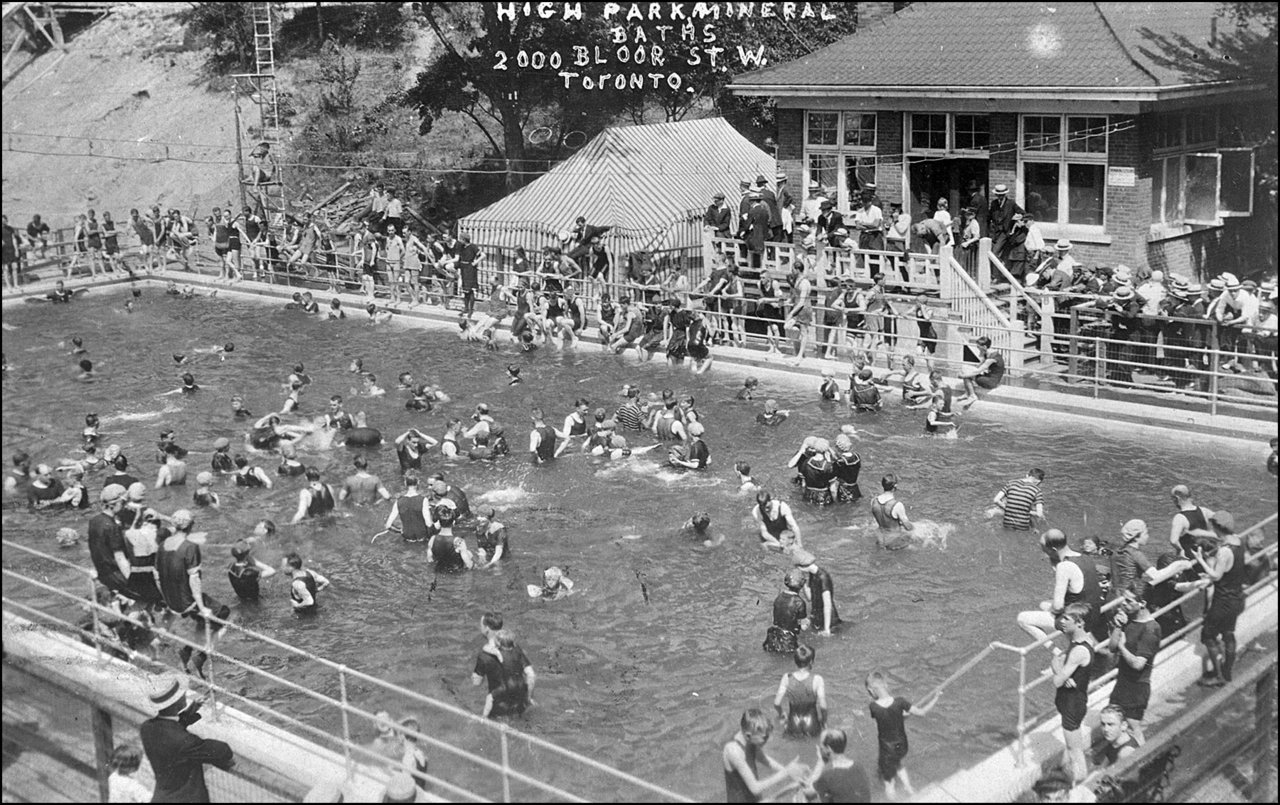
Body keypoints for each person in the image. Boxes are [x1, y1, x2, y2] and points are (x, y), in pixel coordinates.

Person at [155, 509, 229, 677]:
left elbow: (157, 575)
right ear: (190, 526)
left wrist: (166, 597)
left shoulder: (162, 546)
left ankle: (187, 650)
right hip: (187, 602)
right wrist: (202, 607)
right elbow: (194, 579)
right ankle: (199, 657)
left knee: (200, 621)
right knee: (222, 613)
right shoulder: (190, 547)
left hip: (171, 599)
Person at [139, 675, 235, 801]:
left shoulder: (146, 727)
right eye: (181, 694)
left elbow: (171, 728)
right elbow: (223, 750)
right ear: (175, 703)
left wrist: (192, 709)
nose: (184, 694)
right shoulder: (186, 742)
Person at [1183, 511, 1246, 686]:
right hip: (1236, 597)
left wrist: (1200, 560)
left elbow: (1217, 576)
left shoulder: (1224, 552)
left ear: (1218, 527)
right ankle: (1227, 669)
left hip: (1222, 600)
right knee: (1228, 632)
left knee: (1208, 636)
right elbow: (1228, 571)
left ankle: (1219, 676)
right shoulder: (1239, 542)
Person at [1016, 529, 1106, 650]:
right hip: (1094, 613)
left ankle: (1058, 654)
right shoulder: (1084, 557)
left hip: (1080, 621)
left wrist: (1054, 611)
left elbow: (1058, 607)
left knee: (1022, 619)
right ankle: (1076, 643)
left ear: (1053, 550)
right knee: (1043, 604)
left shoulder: (1064, 566)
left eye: (1045, 550)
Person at [1099, 589, 1161, 746]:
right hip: (1123, 683)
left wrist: (1122, 646)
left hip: (1137, 686)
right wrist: (1118, 626)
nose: (1123, 604)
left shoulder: (1151, 629)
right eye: (1123, 600)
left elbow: (1138, 664)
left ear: (1142, 604)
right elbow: (1112, 648)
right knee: (1120, 726)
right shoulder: (1128, 620)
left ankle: (1142, 759)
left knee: (1133, 728)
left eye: (1128, 601)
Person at [866, 670, 940, 799]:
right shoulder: (900, 702)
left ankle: (895, 799)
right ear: (886, 685)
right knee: (898, 763)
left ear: (872, 690)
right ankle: (909, 788)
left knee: (889, 782)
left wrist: (903, 714)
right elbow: (921, 713)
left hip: (887, 749)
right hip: (902, 746)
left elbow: (887, 716)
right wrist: (936, 697)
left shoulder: (873, 707)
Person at [722, 708, 807, 803]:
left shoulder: (749, 739)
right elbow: (755, 788)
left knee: (791, 790)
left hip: (754, 798)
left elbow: (765, 759)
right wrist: (786, 772)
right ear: (748, 736)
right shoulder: (733, 751)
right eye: (764, 738)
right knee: (777, 797)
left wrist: (790, 772)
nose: (767, 741)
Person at [1051, 603, 1095, 783]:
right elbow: (1063, 670)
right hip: (1075, 699)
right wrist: (1062, 671)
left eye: (1067, 619)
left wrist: (1057, 667)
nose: (1062, 622)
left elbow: (1057, 680)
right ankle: (1073, 777)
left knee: (1074, 749)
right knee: (1073, 747)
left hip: (1072, 703)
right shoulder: (1083, 640)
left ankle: (1078, 784)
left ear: (1080, 623)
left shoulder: (1078, 650)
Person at [472, 615, 536, 718]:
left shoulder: (484, 655)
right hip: (520, 705)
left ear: (487, 629)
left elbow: (476, 683)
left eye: (481, 626)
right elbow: (531, 675)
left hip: (498, 708)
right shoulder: (515, 647)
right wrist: (529, 698)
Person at [799, 728, 872, 804]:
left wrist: (821, 762)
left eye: (821, 746)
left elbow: (808, 794)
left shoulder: (829, 774)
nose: (820, 748)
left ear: (828, 749)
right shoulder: (859, 767)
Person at [89, 484, 134, 597]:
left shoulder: (94, 521)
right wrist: (133, 581)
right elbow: (120, 558)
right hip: (115, 575)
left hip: (102, 573)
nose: (125, 506)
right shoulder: (112, 527)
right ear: (114, 504)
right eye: (123, 503)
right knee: (150, 597)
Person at [774, 643, 827, 737]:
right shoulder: (817, 679)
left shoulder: (787, 678)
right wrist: (823, 721)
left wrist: (782, 714)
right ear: (811, 662)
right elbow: (823, 706)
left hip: (793, 726)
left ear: (795, 661)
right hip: (813, 726)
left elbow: (777, 703)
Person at [764, 568, 809, 654]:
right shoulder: (799, 603)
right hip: (788, 641)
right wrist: (807, 622)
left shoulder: (779, 597)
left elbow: (774, 619)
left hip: (772, 638)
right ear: (802, 585)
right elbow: (803, 627)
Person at [1168, 483, 1215, 561]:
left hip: (1189, 559)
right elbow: (1221, 520)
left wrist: (1180, 550)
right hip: (1205, 556)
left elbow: (1173, 541)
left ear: (1177, 498)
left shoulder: (1179, 518)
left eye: (1172, 499)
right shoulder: (1204, 511)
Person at [384, 470, 433, 544]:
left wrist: (400, 531)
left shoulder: (398, 501)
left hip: (407, 537)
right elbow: (428, 523)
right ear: (418, 483)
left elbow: (388, 525)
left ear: (405, 483)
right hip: (422, 536)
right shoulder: (423, 500)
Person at [958, 335, 1004, 406]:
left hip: (991, 381)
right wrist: (966, 370)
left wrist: (963, 375)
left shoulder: (992, 358)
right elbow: (979, 365)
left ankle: (972, 395)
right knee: (965, 368)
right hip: (989, 376)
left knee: (967, 376)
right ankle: (967, 393)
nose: (978, 348)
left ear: (984, 347)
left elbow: (978, 371)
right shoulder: (988, 353)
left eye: (979, 347)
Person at [870, 474, 913, 550]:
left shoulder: (874, 501)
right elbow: (908, 527)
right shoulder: (897, 505)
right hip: (894, 541)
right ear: (895, 487)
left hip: (880, 540)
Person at [1093, 704, 1138, 769]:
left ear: (1123, 726)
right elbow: (1102, 769)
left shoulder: (1126, 752)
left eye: (1110, 724)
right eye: (1103, 724)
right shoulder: (1114, 743)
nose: (1106, 729)